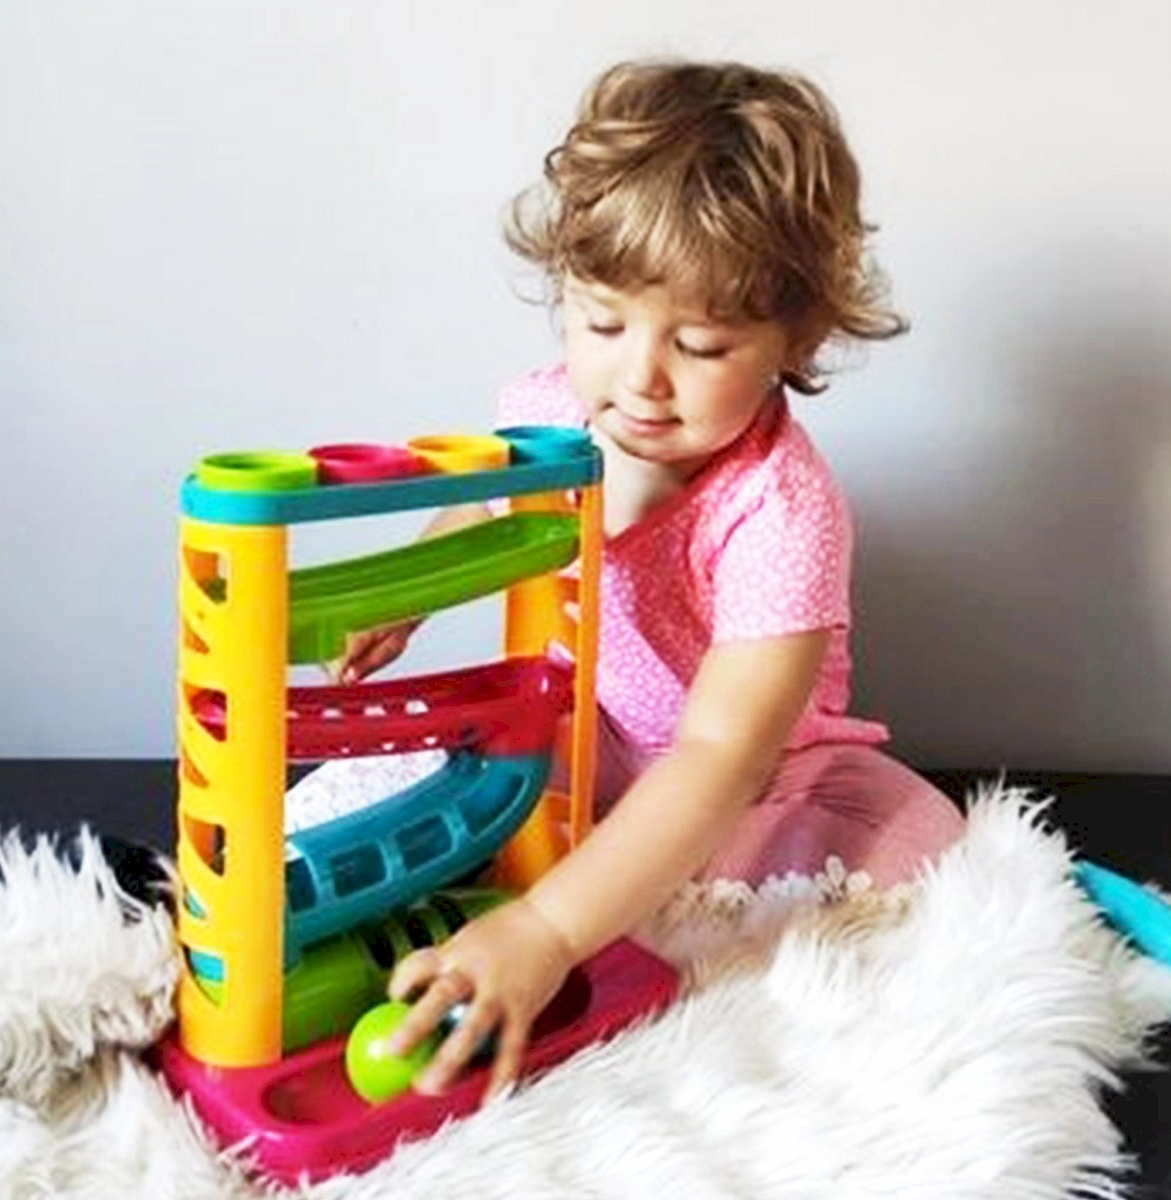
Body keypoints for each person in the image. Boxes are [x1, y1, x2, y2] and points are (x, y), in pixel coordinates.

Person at [331, 58, 965, 1101]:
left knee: (920, 855)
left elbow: (720, 755)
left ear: (796, 338)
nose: (639, 378)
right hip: (586, 733)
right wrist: (408, 591)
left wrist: (544, 930)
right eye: (603, 323)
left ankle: (639, 922)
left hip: (757, 777)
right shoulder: (554, 415)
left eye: (702, 344)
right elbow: (490, 508)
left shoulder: (781, 510)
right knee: (428, 774)